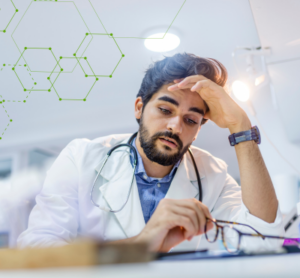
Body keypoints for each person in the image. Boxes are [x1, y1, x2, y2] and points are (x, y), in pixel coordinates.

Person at [18, 53, 283, 252]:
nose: (175, 126)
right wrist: (142, 243)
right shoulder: (81, 158)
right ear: (139, 108)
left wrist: (241, 127)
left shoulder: (213, 175)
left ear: (200, 128)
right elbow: (37, 246)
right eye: (165, 110)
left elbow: (263, 236)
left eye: (191, 120)